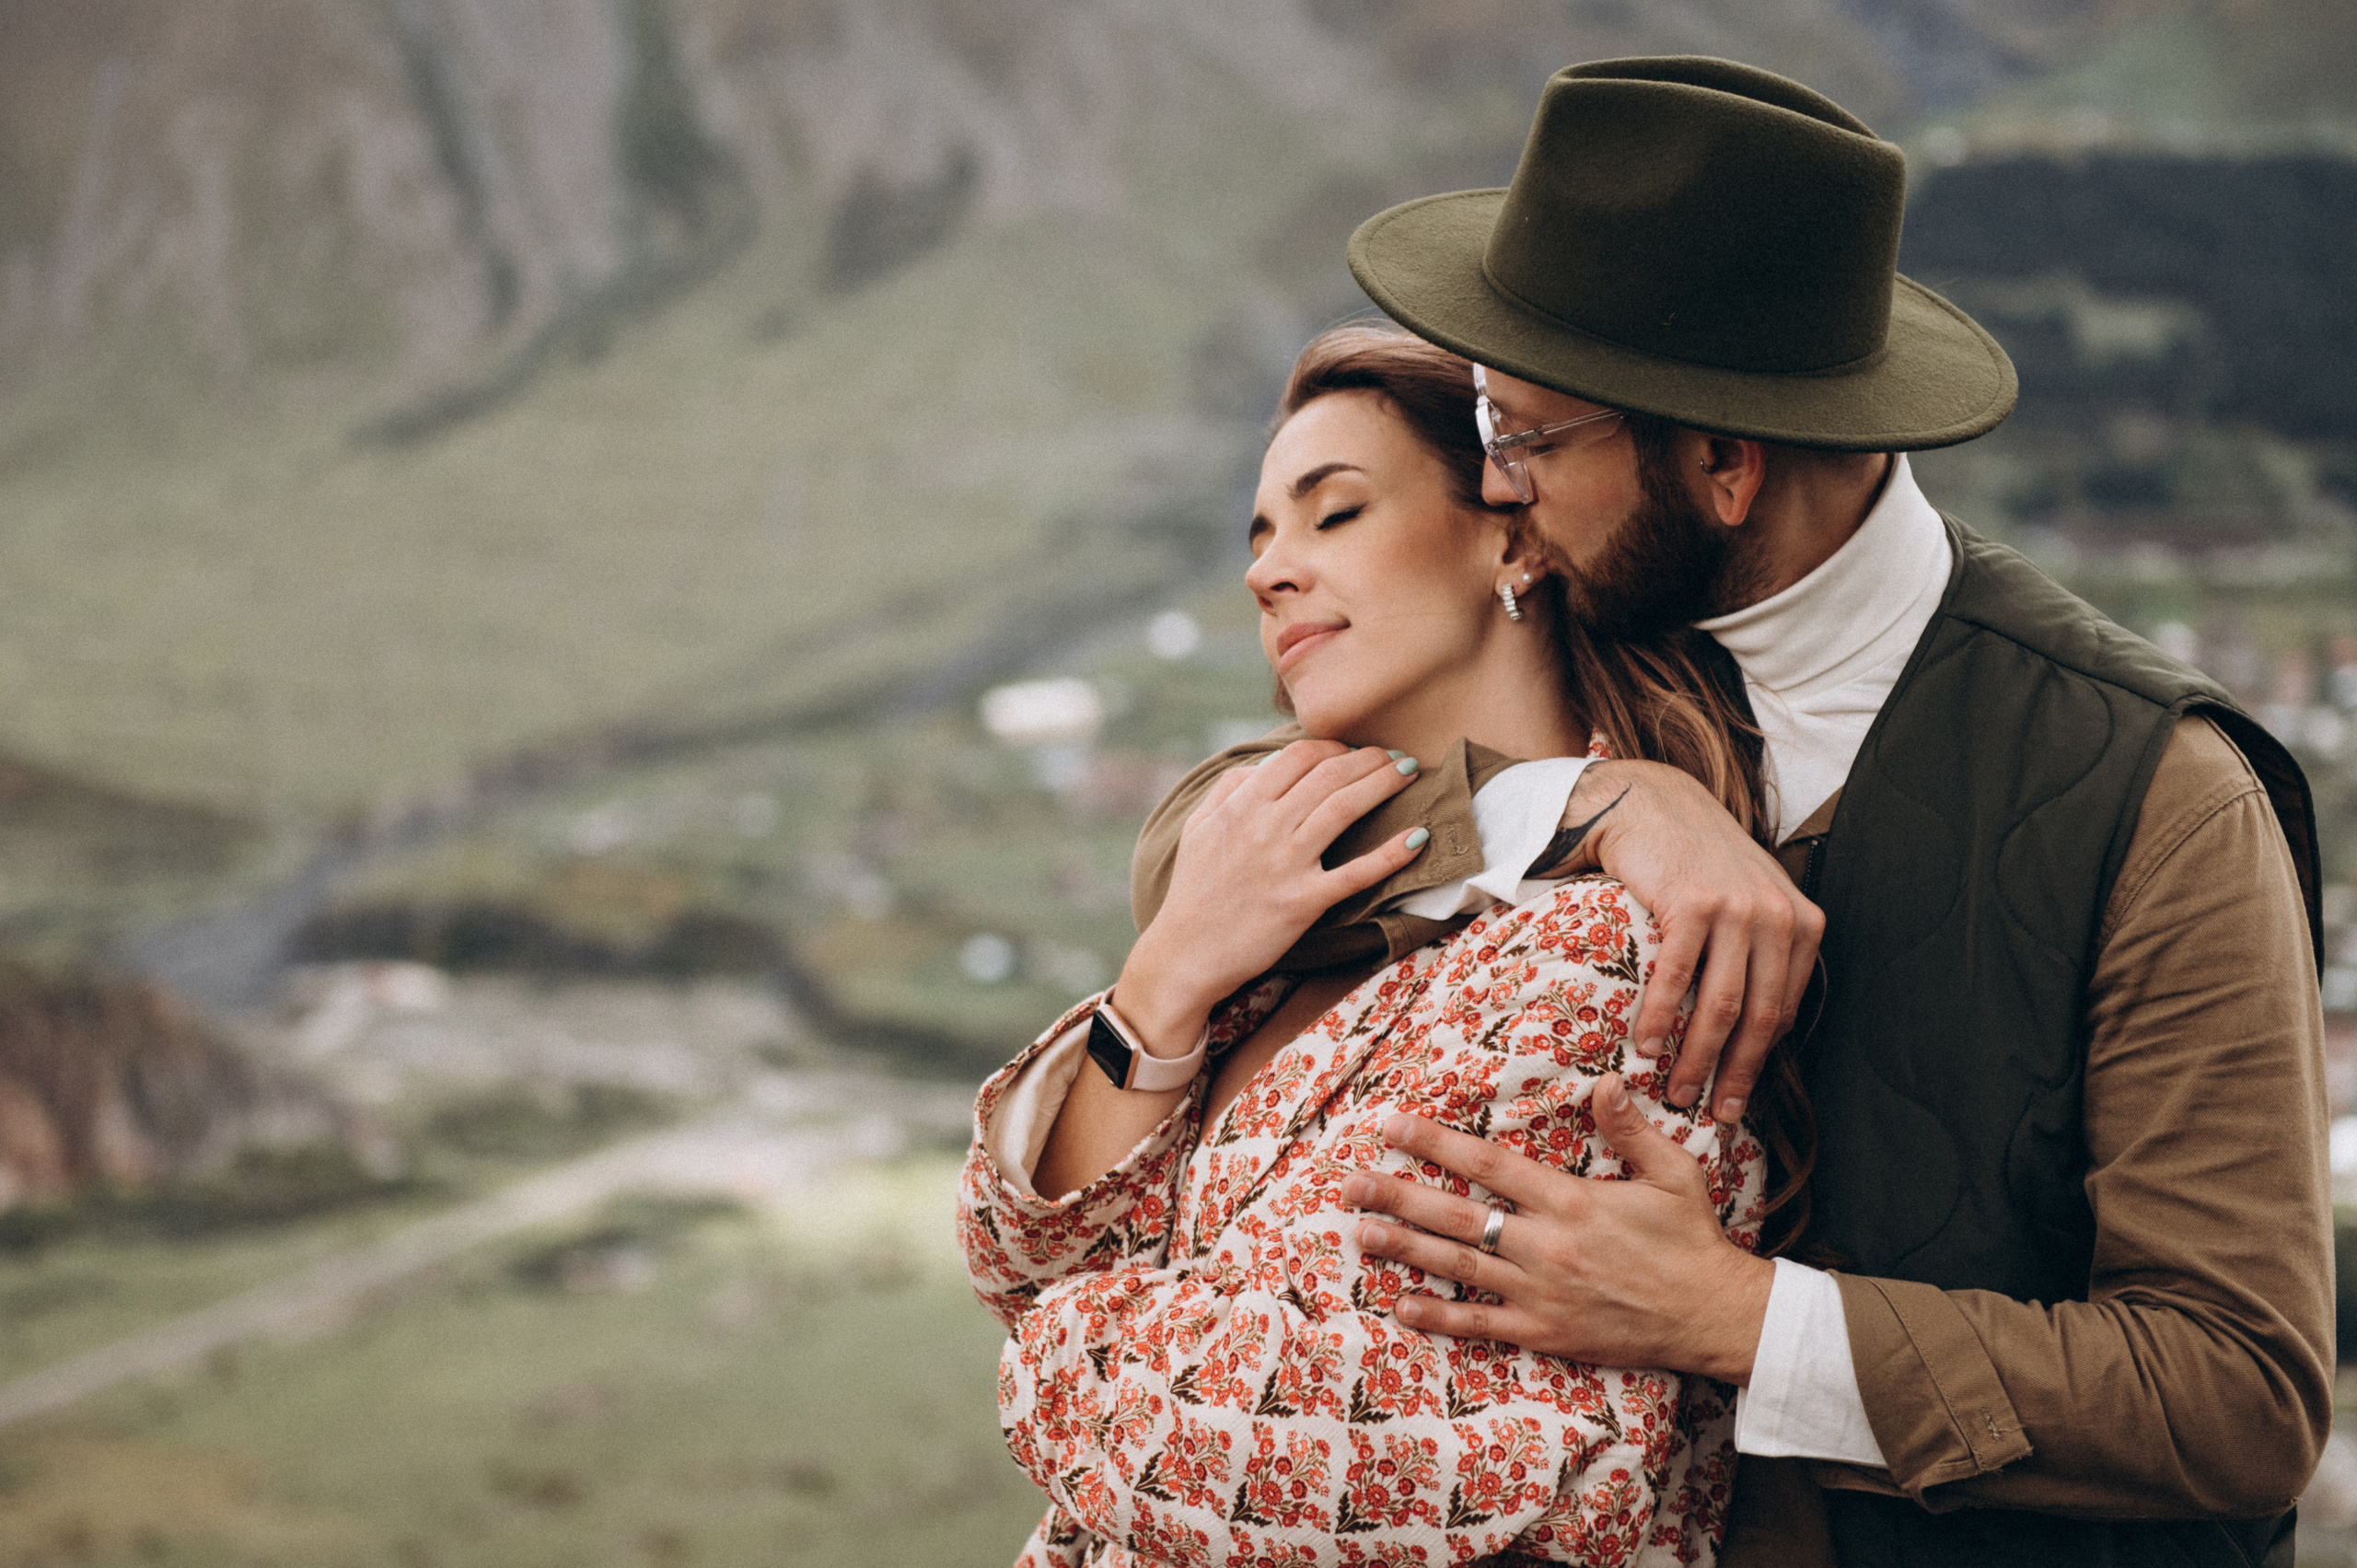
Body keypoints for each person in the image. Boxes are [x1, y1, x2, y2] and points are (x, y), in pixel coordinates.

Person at [1137, 55, 2330, 1568]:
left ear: (1719, 460)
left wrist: (1738, 1321)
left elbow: (2237, 1396)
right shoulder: (1604, 615)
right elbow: (1212, 832)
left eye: (1532, 438)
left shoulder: (2153, 796)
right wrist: (1595, 799)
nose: (1500, 494)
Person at [958, 323, 1814, 1566]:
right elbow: (1013, 1239)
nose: (1269, 573)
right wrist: (1167, 978)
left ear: (1513, 534)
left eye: (1333, 514)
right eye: (1258, 538)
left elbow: (1277, 1450)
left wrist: (1051, 1354)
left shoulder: (1608, 954)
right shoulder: (1298, 920)